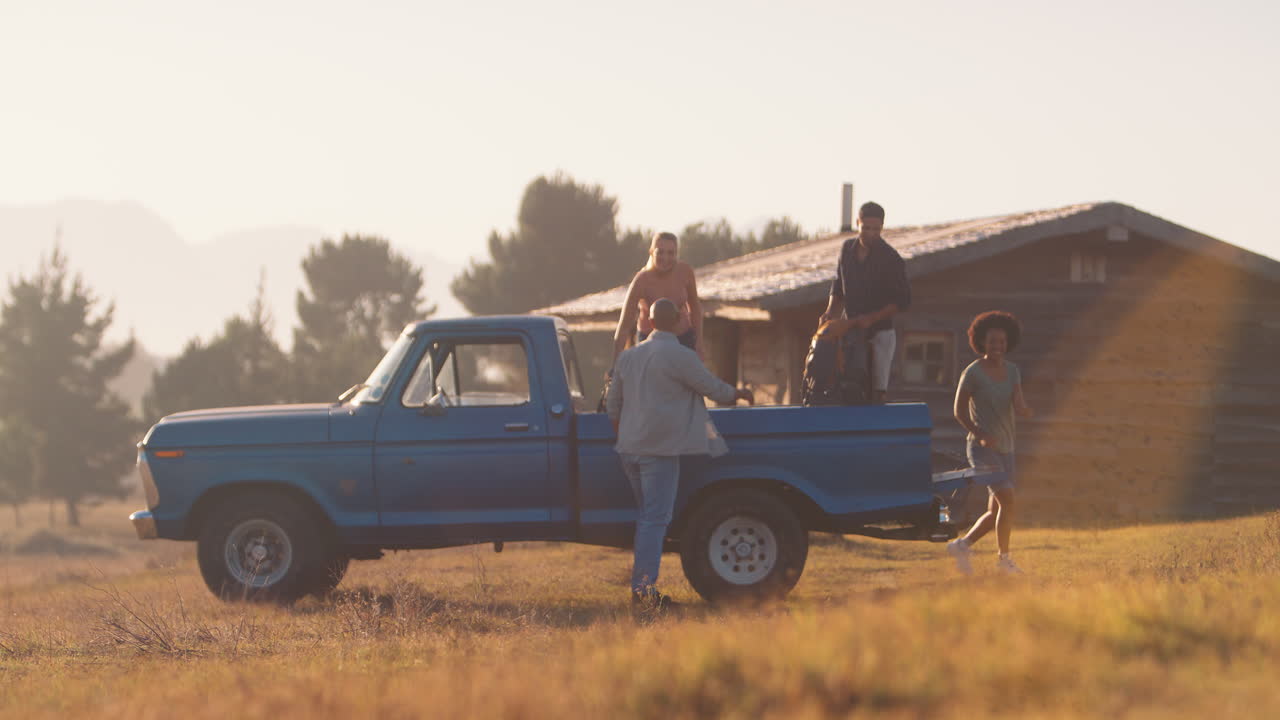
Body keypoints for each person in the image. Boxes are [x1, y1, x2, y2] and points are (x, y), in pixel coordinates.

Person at [606, 298, 754, 611]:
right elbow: (712, 388)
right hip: (659, 451)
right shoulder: (680, 356)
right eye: (683, 318)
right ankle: (643, 591)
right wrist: (739, 393)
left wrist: (627, 436)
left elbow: (613, 405)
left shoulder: (628, 357)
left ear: (651, 323)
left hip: (629, 449)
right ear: (675, 323)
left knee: (648, 517)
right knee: (655, 519)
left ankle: (642, 587)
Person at [946, 311, 1034, 575]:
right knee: (1008, 500)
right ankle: (1003, 560)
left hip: (1007, 448)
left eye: (1002, 342)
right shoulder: (973, 373)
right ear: (982, 342)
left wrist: (1024, 409)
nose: (998, 346)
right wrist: (980, 433)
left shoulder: (1012, 371)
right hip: (982, 449)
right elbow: (959, 411)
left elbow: (1018, 401)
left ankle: (961, 545)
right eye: (993, 341)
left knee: (997, 510)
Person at [818, 202, 911, 404]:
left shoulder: (891, 258)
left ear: (882, 227)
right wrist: (830, 311)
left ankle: (877, 407)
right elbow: (838, 284)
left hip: (879, 331)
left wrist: (872, 318)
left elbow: (902, 301)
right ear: (857, 223)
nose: (871, 233)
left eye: (876, 229)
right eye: (866, 228)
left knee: (878, 387)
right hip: (849, 327)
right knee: (832, 374)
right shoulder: (847, 249)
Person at [612, 232, 705, 364]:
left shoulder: (685, 272)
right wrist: (616, 363)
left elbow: (695, 308)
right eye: (660, 252)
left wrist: (699, 342)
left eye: (670, 253)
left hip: (683, 338)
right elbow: (625, 324)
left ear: (676, 254)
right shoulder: (641, 280)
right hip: (649, 342)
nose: (665, 258)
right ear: (651, 252)